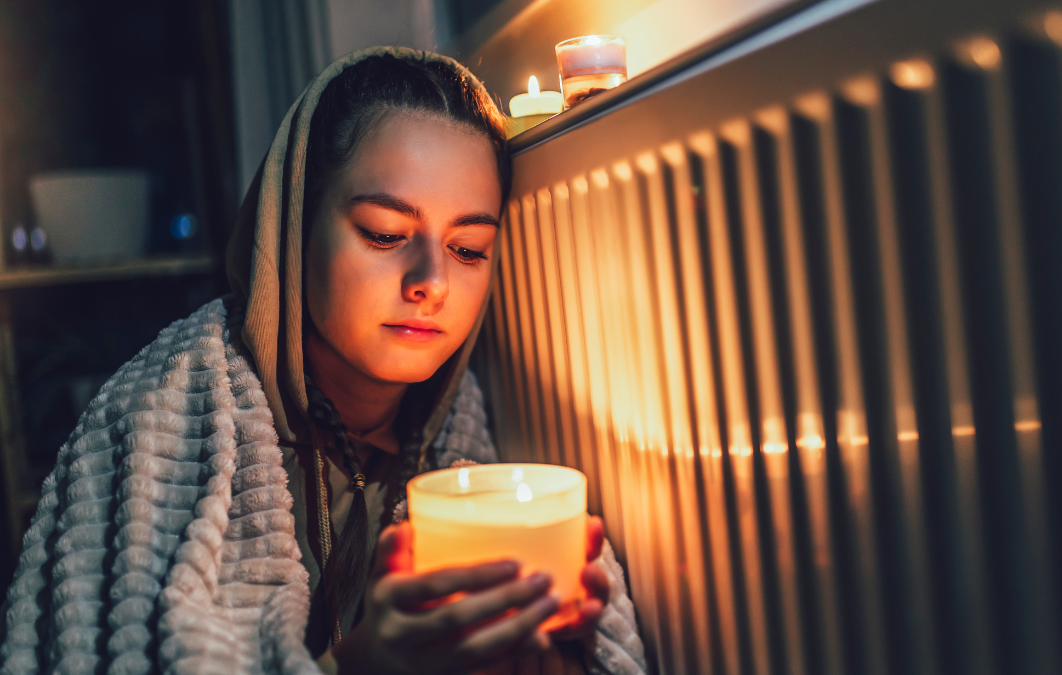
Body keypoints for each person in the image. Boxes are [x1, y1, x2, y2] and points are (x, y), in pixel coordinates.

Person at [0, 47, 646, 675]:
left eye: (470, 248)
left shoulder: (462, 444)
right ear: (293, 226)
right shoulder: (159, 427)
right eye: (384, 234)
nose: (432, 281)